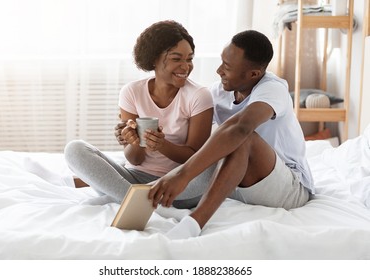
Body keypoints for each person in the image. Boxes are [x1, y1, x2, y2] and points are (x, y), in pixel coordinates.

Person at [148, 30, 314, 239]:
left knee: (243, 138)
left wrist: (183, 174)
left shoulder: (273, 89)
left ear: (253, 74)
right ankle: (146, 197)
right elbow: (185, 130)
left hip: (289, 188)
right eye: (221, 62)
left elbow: (241, 128)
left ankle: (195, 222)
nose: (219, 71)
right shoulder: (219, 92)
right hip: (241, 181)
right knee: (216, 148)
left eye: (227, 67)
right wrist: (138, 132)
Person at [60, 20, 215, 207]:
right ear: (154, 59)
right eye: (176, 59)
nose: (185, 67)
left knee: (216, 160)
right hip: (134, 178)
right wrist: (135, 141)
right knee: (75, 149)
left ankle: (128, 199)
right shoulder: (132, 92)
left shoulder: (199, 96)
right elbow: (134, 159)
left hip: (179, 185)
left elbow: (195, 157)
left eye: (189, 59)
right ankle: (137, 200)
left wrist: (161, 144)